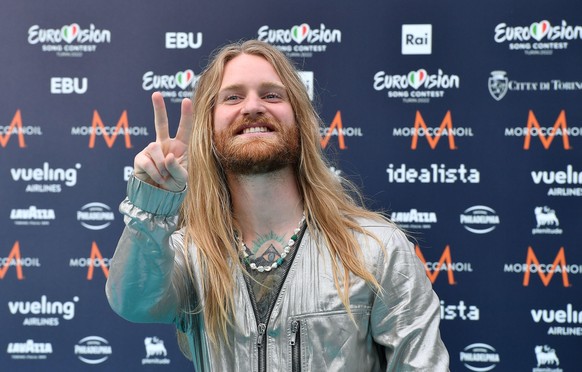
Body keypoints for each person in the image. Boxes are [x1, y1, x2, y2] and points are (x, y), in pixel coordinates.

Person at [105, 39, 449, 371]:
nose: (253, 106)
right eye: (233, 97)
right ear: (208, 127)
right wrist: (153, 204)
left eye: (271, 95)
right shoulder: (190, 255)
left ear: (299, 120)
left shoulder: (377, 248)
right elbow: (134, 302)